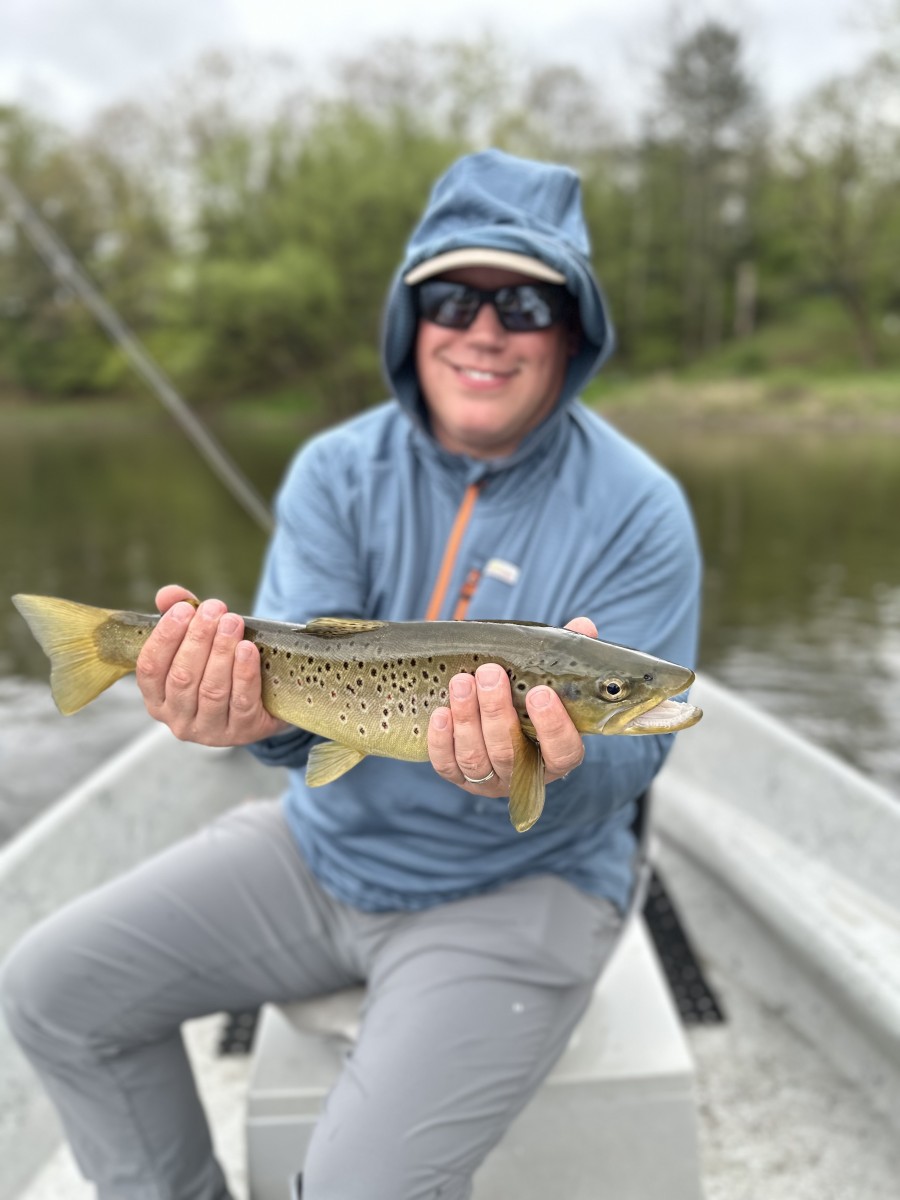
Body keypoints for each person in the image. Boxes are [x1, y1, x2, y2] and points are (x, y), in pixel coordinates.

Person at [1, 149, 702, 1200]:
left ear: (573, 330)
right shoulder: (335, 469)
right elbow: (292, 732)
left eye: (524, 301)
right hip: (322, 850)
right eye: (453, 295)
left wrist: (542, 766)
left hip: (521, 884)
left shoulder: (643, 510)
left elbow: (619, 770)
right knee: (49, 987)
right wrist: (241, 715)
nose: (483, 327)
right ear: (410, 317)